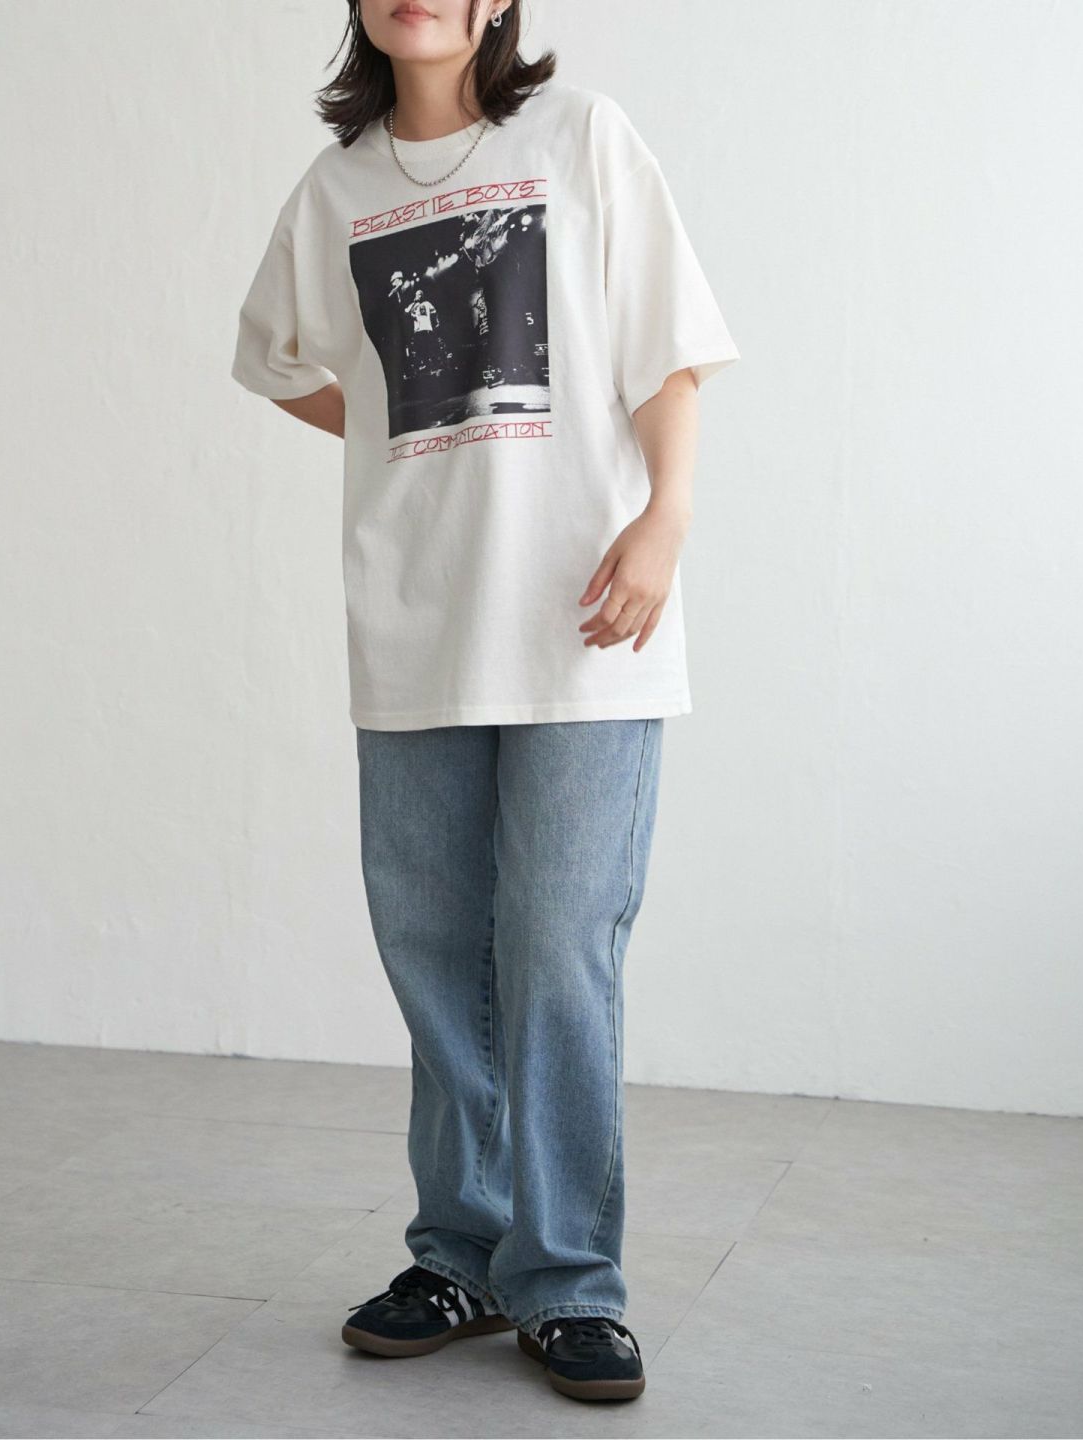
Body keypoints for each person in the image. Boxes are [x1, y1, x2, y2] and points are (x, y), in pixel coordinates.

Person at [230, 0, 740, 1404]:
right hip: (417, 621)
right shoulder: (335, 190)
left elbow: (666, 347)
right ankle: (459, 1253)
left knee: (559, 945)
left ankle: (568, 1278)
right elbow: (277, 358)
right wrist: (412, 414)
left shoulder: (581, 138)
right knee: (438, 953)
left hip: (584, 619)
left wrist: (666, 518)